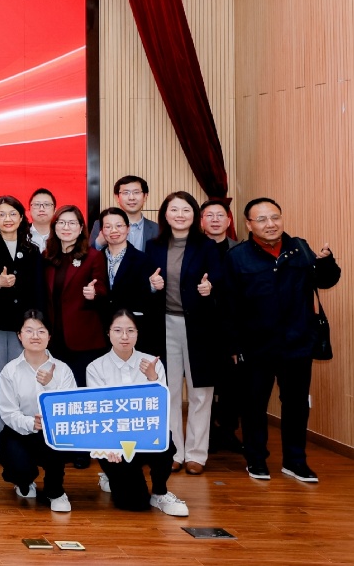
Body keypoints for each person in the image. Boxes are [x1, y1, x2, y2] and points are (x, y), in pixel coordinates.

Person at [225, 197, 339, 483]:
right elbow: (229, 305)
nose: (270, 224)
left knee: (297, 405)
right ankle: (256, 460)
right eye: (261, 219)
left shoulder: (299, 248)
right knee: (254, 405)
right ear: (249, 224)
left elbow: (325, 281)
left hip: (297, 342)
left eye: (275, 217)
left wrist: (326, 262)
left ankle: (295, 461)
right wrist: (234, 345)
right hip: (255, 346)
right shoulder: (237, 256)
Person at [144, 191, 224, 475]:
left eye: (186, 210)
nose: (180, 215)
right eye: (174, 210)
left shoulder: (207, 246)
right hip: (165, 325)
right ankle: (174, 451)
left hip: (199, 326)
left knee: (201, 391)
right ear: (165, 214)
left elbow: (221, 281)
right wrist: (152, 285)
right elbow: (145, 285)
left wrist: (210, 288)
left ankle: (196, 454)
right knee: (169, 391)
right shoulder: (153, 246)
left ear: (194, 215)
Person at [87, 310, 188, 516]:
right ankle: (110, 475)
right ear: (108, 333)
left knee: (165, 440)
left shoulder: (152, 363)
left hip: (144, 436)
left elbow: (160, 408)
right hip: (114, 442)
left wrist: (152, 379)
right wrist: (109, 446)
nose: (124, 336)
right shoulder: (95, 367)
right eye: (118, 330)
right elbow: (98, 414)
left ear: (137, 333)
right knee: (135, 503)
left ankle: (160, 492)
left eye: (130, 331)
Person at [0, 195, 44, 454]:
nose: (7, 219)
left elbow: (38, 290)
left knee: (22, 385)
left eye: (12, 213)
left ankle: (22, 441)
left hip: (22, 328)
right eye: (1, 214)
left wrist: (36, 325)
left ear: (21, 217)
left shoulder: (32, 250)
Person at [0, 310, 76, 512]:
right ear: (19, 335)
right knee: (19, 468)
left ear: (49, 336)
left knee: (57, 441)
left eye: (41, 331)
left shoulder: (62, 369)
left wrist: (50, 385)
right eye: (29, 331)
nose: (35, 336)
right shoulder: (10, 370)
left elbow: (70, 408)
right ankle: (24, 481)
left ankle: (55, 490)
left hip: (54, 433)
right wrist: (31, 423)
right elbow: (8, 413)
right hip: (20, 431)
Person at [42, 205, 108, 386]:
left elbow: (102, 289)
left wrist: (94, 293)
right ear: (54, 227)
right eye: (61, 222)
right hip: (54, 338)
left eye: (72, 223)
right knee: (57, 388)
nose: (66, 227)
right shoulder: (47, 257)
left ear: (80, 228)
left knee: (82, 390)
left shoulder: (93, 256)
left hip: (83, 339)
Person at [199, 198, 241, 454]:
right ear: (201, 221)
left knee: (231, 383)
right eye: (209, 215)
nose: (215, 220)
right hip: (201, 326)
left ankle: (227, 431)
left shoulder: (240, 250)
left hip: (232, 326)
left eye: (220, 215)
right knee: (204, 383)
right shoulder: (193, 249)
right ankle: (206, 434)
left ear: (228, 220)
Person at [100, 207, 157, 346]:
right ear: (102, 231)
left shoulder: (143, 260)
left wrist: (153, 287)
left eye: (119, 226)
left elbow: (149, 300)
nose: (114, 230)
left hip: (132, 330)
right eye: (108, 226)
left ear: (128, 228)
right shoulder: (95, 259)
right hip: (101, 331)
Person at [90, 175, 158, 251]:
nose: (131, 198)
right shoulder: (101, 225)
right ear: (117, 197)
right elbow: (88, 255)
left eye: (136, 192)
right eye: (126, 193)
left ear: (145, 196)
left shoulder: (157, 229)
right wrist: (99, 243)